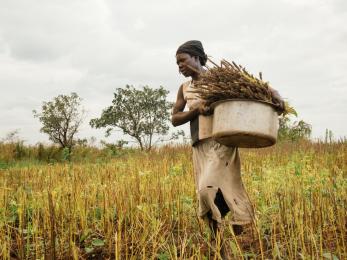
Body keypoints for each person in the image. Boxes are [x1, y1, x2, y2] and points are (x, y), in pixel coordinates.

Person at [171, 40, 284, 256]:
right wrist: (195, 110)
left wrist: (275, 94)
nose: (180, 67)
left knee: (207, 189)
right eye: (177, 64)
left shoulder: (218, 78)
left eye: (182, 61)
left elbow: (253, 84)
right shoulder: (184, 89)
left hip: (221, 141)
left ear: (196, 57)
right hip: (199, 147)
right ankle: (220, 245)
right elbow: (175, 119)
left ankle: (240, 220)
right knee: (209, 194)